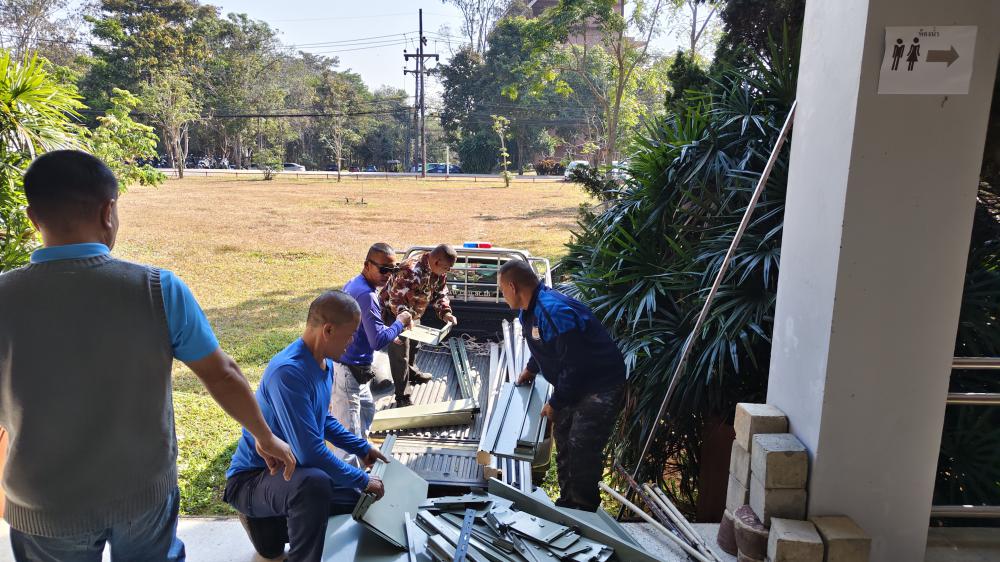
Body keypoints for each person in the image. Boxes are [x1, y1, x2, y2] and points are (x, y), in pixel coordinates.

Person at [0, 150, 296, 561]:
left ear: (33, 218)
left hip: (43, 502)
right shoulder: (157, 289)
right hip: (141, 493)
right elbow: (222, 374)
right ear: (108, 212)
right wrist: (265, 436)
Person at [225, 291, 388, 562]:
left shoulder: (325, 364)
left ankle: (280, 521)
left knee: (358, 496)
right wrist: (362, 477)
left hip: (288, 473)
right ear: (328, 330)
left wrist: (362, 448)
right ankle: (271, 527)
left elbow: (322, 419)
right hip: (252, 479)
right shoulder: (288, 373)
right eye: (350, 335)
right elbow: (310, 453)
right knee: (315, 484)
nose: (352, 342)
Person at [498, 259, 626, 512]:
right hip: (575, 381)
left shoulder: (553, 312)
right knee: (564, 438)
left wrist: (555, 403)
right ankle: (567, 504)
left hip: (600, 385)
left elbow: (575, 364)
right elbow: (546, 346)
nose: (503, 297)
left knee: (581, 448)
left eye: (502, 290)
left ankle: (583, 511)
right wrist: (530, 369)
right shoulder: (529, 310)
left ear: (512, 287)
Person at [332, 243, 412, 464]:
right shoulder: (366, 295)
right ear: (367, 265)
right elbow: (377, 341)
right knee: (348, 439)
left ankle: (364, 459)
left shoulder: (355, 283)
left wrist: (388, 332)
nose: (388, 276)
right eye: (383, 270)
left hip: (356, 371)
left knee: (366, 410)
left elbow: (365, 328)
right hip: (348, 372)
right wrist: (400, 322)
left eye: (393, 270)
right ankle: (352, 481)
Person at [378, 244, 459, 407]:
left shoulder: (439, 271)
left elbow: (440, 293)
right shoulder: (409, 271)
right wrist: (404, 320)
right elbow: (396, 300)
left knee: (414, 345)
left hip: (414, 312)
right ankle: (402, 396)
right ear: (436, 262)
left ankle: (412, 373)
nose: (448, 270)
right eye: (446, 267)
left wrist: (446, 312)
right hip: (395, 314)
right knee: (400, 353)